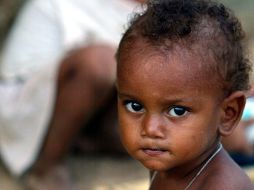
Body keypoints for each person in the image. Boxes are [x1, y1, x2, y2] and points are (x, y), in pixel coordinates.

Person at [0, 0, 144, 189]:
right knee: (100, 63)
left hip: (92, 106)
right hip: (23, 101)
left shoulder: (152, 14)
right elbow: (14, 74)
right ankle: (46, 169)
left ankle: (86, 140)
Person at [116, 0, 254, 189]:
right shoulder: (165, 164)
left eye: (177, 111)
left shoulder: (222, 185)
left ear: (228, 114)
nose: (150, 129)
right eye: (135, 106)